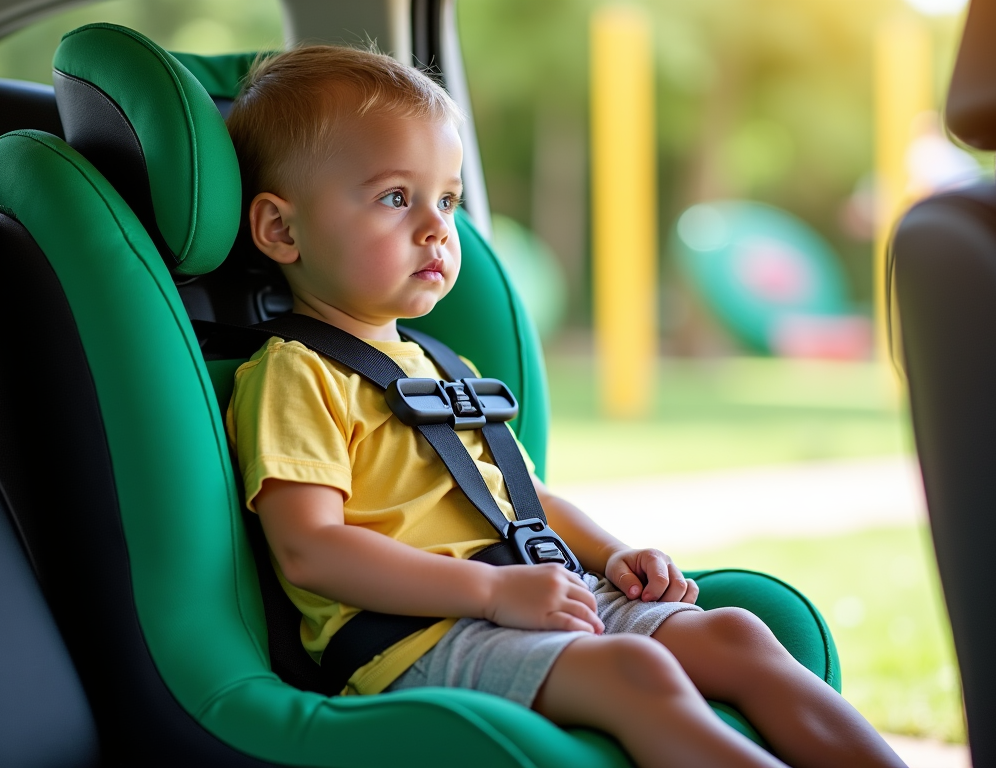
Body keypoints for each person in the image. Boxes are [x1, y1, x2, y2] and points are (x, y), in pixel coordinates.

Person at [224, 45, 907, 768]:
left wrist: (611, 555)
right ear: (281, 230)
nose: (436, 227)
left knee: (734, 633)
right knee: (635, 673)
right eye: (396, 197)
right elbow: (311, 550)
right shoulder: (296, 377)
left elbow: (528, 499)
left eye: (447, 200)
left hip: (532, 592)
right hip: (415, 636)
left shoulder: (437, 365)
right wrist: (491, 591)